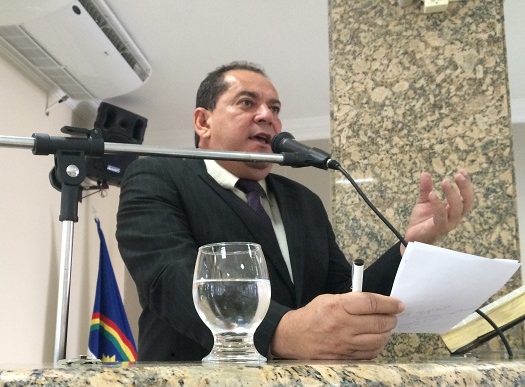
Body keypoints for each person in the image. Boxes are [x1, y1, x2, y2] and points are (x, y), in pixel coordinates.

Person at [116, 61, 474, 361]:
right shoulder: (157, 176)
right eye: (247, 102)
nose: (267, 116)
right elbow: (170, 279)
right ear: (203, 122)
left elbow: (343, 293)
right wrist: (281, 331)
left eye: (274, 109)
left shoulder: (304, 201)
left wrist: (409, 246)